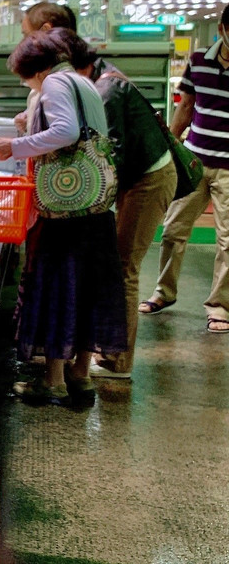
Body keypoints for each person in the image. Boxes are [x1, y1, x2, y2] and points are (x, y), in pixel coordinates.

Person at [0, 31, 127, 406]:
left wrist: (15, 146)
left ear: (36, 69)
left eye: (24, 77)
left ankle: (53, 382)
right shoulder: (84, 82)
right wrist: (31, 124)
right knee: (87, 293)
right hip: (95, 207)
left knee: (57, 291)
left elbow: (66, 132)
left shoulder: (52, 84)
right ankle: (80, 377)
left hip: (65, 211)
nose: (26, 84)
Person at [51, 28, 176, 377]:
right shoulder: (97, 77)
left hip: (149, 180)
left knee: (123, 268)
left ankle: (117, 361)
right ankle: (107, 351)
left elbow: (108, 157)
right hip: (137, 177)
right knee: (117, 266)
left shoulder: (105, 90)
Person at [143, 4, 229, 333]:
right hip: (195, 162)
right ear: (221, 29)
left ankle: (220, 306)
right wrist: (169, 146)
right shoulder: (198, 61)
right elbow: (186, 107)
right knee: (173, 230)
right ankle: (163, 292)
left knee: (227, 241)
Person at [13, 2, 77, 135]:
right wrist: (30, 116)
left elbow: (64, 133)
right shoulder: (50, 71)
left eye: (26, 34)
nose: (23, 42)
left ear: (45, 29)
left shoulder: (60, 78)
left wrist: (16, 145)